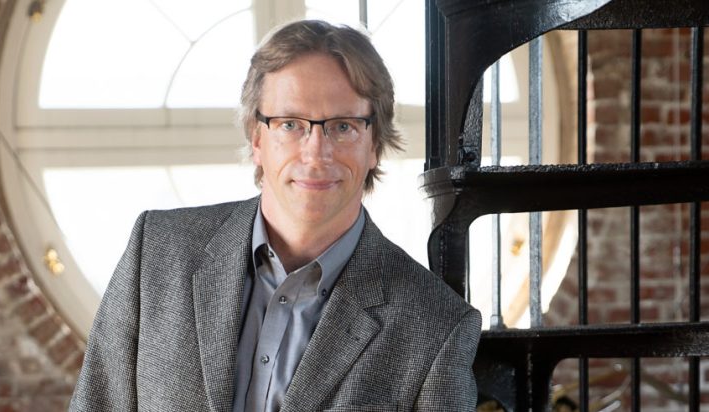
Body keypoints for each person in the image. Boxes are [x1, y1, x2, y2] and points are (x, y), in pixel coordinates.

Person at [69, 19, 481, 412]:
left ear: (374, 144)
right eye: (290, 124)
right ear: (257, 139)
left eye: (343, 126)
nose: (316, 153)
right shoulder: (157, 255)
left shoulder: (436, 326)